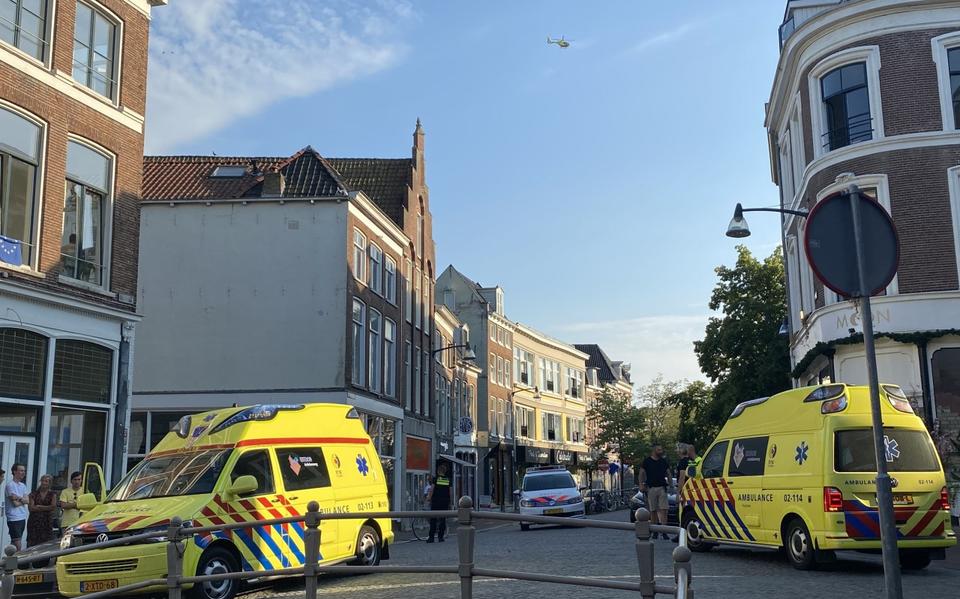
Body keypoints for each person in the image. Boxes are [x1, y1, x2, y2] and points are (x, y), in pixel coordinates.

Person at [640, 445, 671, 540]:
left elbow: (668, 472)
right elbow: (641, 472)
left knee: (664, 510)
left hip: (662, 487)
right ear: (654, 451)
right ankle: (655, 531)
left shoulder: (663, 461)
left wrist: (671, 484)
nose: (661, 451)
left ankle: (664, 531)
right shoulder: (647, 461)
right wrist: (641, 484)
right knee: (653, 510)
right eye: (659, 449)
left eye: (661, 449)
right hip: (651, 488)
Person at [4, 463, 29, 551]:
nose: (23, 473)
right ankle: (17, 563)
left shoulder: (23, 486)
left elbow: (27, 501)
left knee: (14, 543)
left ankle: (10, 564)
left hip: (22, 517)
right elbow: (15, 504)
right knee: (18, 544)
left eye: (24, 471)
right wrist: (22, 500)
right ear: (15, 472)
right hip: (13, 518)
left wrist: (18, 498)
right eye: (21, 470)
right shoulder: (10, 485)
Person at [27, 474, 57, 547]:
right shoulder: (34, 493)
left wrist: (40, 506)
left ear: (50, 483)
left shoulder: (52, 494)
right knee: (33, 542)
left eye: (46, 481)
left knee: (46, 543)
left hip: (46, 521)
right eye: (42, 481)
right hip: (34, 521)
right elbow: (31, 508)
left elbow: (53, 507)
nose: (44, 483)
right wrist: (47, 507)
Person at [426, 463, 451, 543]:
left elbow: (432, 490)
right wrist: (450, 501)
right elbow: (450, 492)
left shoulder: (436, 479)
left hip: (436, 501)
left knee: (433, 519)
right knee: (442, 519)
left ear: (438, 471)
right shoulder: (447, 480)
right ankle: (441, 537)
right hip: (445, 502)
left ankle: (431, 537)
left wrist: (429, 498)